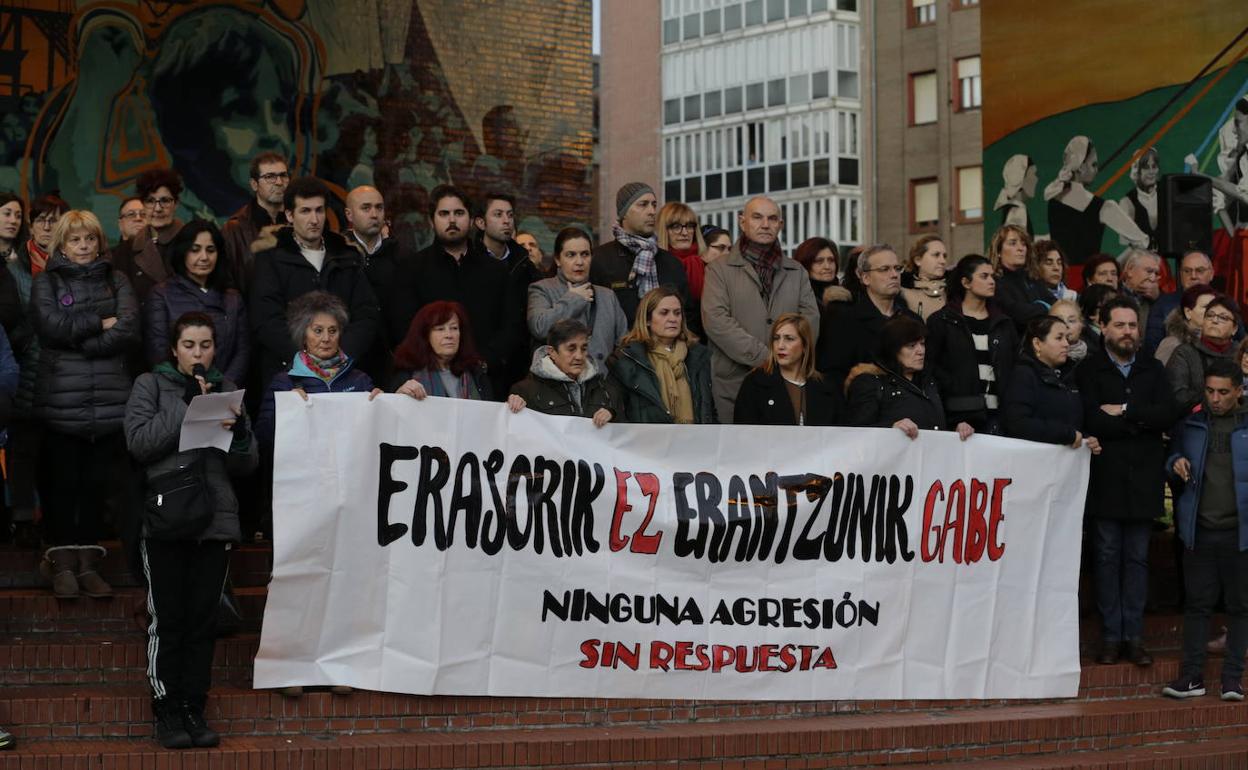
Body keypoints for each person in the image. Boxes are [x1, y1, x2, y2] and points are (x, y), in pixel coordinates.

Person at [124, 312, 257, 749]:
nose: (197, 354)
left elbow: (247, 463)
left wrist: (238, 433)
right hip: (167, 517)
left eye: (205, 346)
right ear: (174, 349)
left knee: (203, 621)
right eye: (189, 345)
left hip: (215, 521)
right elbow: (139, 443)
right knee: (169, 620)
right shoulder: (151, 384)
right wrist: (186, 406)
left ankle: (193, 708)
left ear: (215, 349)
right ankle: (166, 708)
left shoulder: (227, 391)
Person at [31, 210, 140, 599]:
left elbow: (128, 328)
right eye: (75, 240)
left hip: (110, 405)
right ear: (62, 244)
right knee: (62, 486)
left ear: (99, 242)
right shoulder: (46, 281)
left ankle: (89, 565)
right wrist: (99, 323)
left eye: (89, 239)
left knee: (96, 488)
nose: (83, 246)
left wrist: (78, 336)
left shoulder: (118, 279)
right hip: (61, 404)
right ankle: (61, 564)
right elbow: (49, 327)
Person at [1078, 296, 1179, 666]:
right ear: (1102, 327)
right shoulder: (1088, 370)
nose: (1127, 332)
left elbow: (1165, 414)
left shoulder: (1152, 369)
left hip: (1143, 480)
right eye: (1119, 325)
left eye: (1132, 325)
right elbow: (1091, 419)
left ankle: (1133, 637)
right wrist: (1138, 421)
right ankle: (1110, 637)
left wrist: (1123, 411)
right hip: (1105, 479)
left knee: (1137, 559)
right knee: (1106, 557)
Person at [1163, 359, 1248, 701]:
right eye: (1210, 390)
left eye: (1223, 392)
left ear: (1239, 391)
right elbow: (1170, 459)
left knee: (1240, 607)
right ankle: (1192, 676)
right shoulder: (1192, 424)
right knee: (1197, 606)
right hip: (1198, 530)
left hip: (1240, 533)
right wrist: (1175, 464)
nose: (1215, 398)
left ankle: (1232, 679)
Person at [249, 176, 381, 389]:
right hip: (290, 376)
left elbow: (366, 313)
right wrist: (306, 361)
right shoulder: (271, 259)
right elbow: (266, 320)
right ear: (290, 215)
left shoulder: (346, 256)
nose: (314, 219)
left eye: (319, 210)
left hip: (344, 373)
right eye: (305, 211)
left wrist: (340, 356)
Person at [389, 185, 522, 397]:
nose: (452, 220)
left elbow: (511, 324)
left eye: (459, 213)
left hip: (484, 381)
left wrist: (485, 362)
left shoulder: (496, 271)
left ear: (471, 220)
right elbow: (402, 325)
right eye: (444, 214)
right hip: (428, 382)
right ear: (432, 221)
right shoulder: (412, 268)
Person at [702, 195, 819, 422]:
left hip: (789, 380)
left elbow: (810, 321)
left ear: (781, 225)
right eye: (757, 217)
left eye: (772, 219)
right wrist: (766, 357)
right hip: (735, 380)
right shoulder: (719, 270)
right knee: (740, 453)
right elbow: (716, 321)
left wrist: (787, 357)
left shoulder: (797, 271)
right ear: (742, 221)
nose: (765, 224)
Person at [255, 292, 381, 446]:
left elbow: (379, 434)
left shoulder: (360, 380)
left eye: (333, 331)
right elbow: (263, 439)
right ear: (303, 335)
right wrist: (287, 410)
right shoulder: (285, 382)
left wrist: (382, 406)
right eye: (318, 331)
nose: (326, 338)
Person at [144, 220, 249, 385]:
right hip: (177, 391)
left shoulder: (232, 298)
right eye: (195, 250)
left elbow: (242, 352)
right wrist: (190, 387)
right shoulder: (161, 294)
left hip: (224, 392)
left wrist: (222, 385)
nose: (204, 257)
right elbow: (159, 352)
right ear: (182, 253)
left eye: (210, 250)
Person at [926, 255, 1017, 434]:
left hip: (1003, 420)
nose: (991, 281)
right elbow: (931, 372)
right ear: (966, 283)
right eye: (984, 276)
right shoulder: (941, 321)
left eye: (992, 277)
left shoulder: (1004, 323)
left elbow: (1015, 368)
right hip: (960, 421)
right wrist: (953, 419)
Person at [845, 315, 972, 440]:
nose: (921, 351)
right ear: (892, 349)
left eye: (922, 344)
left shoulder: (931, 381)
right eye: (911, 346)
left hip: (932, 458)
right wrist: (891, 428)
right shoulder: (869, 382)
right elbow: (857, 433)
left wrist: (957, 429)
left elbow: (939, 425)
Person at [817, 244, 919, 389]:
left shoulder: (912, 319)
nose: (894, 275)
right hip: (862, 405)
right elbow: (832, 376)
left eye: (897, 268)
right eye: (884, 269)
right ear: (865, 278)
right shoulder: (844, 319)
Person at [609, 286, 715, 424]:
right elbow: (617, 407)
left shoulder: (697, 356)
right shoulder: (627, 358)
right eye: (664, 313)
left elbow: (708, 409)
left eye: (677, 313)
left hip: (693, 441)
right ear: (647, 319)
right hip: (648, 442)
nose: (673, 319)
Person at [528, 226, 628, 368]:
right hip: (559, 386)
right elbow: (539, 327)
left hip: (601, 384)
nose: (579, 262)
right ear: (557, 259)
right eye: (571, 255)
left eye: (585, 254)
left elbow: (625, 344)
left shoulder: (607, 296)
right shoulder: (542, 289)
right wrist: (574, 298)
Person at [591, 182, 690, 324]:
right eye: (643, 204)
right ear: (624, 213)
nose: (652, 211)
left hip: (666, 345)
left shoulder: (672, 263)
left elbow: (687, 314)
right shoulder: (599, 260)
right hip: (621, 345)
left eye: (654, 205)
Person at [1044, 135, 1149, 266]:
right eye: (1093, 164)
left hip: (1060, 281)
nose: (1096, 170)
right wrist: (1113, 267)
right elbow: (1142, 242)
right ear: (1081, 167)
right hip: (1088, 283)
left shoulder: (1053, 200)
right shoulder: (1103, 207)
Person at [1004, 316, 1101, 453]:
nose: (1066, 344)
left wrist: (1086, 439)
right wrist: (1067, 435)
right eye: (1059, 338)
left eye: (1066, 338)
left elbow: (1072, 423)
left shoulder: (1070, 375)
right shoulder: (1024, 375)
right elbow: (1017, 423)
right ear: (1037, 344)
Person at [734, 313, 840, 426]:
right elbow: (743, 435)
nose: (780, 346)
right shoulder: (755, 384)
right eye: (776, 338)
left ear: (805, 346)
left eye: (789, 339)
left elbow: (840, 436)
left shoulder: (826, 387)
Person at [509, 319, 620, 425]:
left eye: (584, 348)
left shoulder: (607, 390)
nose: (579, 356)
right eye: (571, 349)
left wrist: (613, 416)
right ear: (552, 352)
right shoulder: (525, 391)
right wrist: (514, 408)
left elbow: (624, 437)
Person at [390, 300, 492, 400]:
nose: (449, 335)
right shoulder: (406, 376)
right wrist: (398, 397)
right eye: (440, 329)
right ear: (425, 336)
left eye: (454, 328)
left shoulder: (476, 373)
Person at [111, 169, 186, 301]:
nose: (157, 208)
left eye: (165, 200)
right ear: (143, 205)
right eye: (150, 201)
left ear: (176, 204)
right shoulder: (126, 251)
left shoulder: (193, 242)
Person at [222, 151, 289, 293]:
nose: (279, 182)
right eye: (270, 177)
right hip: (252, 311)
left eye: (283, 175)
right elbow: (227, 285)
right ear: (254, 184)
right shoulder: (234, 228)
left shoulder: (298, 221)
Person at [1167, 294, 1240, 412]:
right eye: (1210, 316)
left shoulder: (1241, 355)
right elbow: (1177, 395)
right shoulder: (1185, 353)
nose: (1215, 320)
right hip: (1194, 421)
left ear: (1235, 328)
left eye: (1223, 318)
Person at [1145, 250, 1216, 354]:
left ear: (1211, 274)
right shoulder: (1163, 304)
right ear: (1180, 275)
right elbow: (1151, 348)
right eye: (1187, 271)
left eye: (1200, 270)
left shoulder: (1224, 304)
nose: (1193, 276)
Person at [988, 224, 1045, 329]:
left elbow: (1054, 302)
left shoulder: (1033, 278)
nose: (1021, 248)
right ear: (999, 251)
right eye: (1013, 243)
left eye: (1024, 244)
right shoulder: (993, 282)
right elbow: (1018, 313)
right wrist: (1045, 308)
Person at [1155, 284, 1217, 367]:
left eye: (1214, 307)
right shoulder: (1173, 343)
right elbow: (1158, 376)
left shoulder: (1220, 344)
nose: (1213, 312)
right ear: (1188, 312)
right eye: (1206, 307)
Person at [656, 202, 706, 306]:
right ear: (664, 230)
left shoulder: (707, 264)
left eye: (689, 226)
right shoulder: (655, 266)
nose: (684, 232)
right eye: (676, 226)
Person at [1118, 147, 1161, 250]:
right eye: (1146, 167)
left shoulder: (1166, 193)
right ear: (1136, 171)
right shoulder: (1127, 203)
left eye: (1154, 166)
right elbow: (1127, 246)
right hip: (1140, 262)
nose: (1151, 172)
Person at [793, 237, 848, 312]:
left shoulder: (846, 295)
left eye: (831, 260)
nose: (827, 266)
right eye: (819, 261)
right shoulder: (796, 298)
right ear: (805, 265)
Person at [899, 235, 948, 321]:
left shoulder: (954, 291)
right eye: (936, 255)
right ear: (918, 260)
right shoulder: (902, 292)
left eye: (944, 256)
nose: (943, 261)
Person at [992, 153, 1038, 235]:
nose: (1036, 179)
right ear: (1021, 179)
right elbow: (1018, 243)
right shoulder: (1018, 212)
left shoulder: (1012, 208)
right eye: (1033, 174)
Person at [1119, 249, 1163, 334]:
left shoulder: (1158, 298)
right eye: (1149, 271)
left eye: (1156, 273)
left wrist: (1158, 299)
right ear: (1130, 270)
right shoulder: (1113, 294)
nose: (1153, 278)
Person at [25, 193, 67, 279]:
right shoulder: (17, 261)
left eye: (53, 221)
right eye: (40, 220)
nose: (46, 227)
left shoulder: (75, 258)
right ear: (31, 228)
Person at [1025, 240, 1077, 310]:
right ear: (1036, 266)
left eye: (1059, 263)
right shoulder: (1029, 299)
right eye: (1049, 263)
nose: (1056, 268)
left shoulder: (1074, 297)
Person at [1049, 298, 1094, 366]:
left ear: (1081, 324)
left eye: (1071, 321)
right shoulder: (1043, 359)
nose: (1066, 325)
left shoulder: (1095, 357)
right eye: (1059, 320)